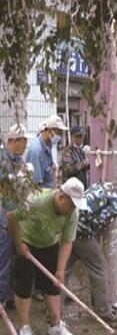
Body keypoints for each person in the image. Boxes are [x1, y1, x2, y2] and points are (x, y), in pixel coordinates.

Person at [7, 177, 87, 335]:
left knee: (52, 285)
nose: (72, 210)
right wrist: (18, 245)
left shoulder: (73, 213)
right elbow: (11, 216)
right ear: (61, 197)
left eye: (75, 207)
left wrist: (61, 269)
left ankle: (55, 325)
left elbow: (66, 241)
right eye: (70, 205)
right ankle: (24, 327)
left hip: (49, 243)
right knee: (23, 286)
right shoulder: (37, 201)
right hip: (27, 241)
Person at [65, 168, 117, 320]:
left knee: (64, 269)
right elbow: (99, 222)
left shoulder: (104, 185)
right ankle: (103, 311)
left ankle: (53, 311)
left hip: (70, 225)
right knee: (99, 268)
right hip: (82, 233)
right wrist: (95, 235)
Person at [0, 124, 31, 309]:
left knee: (14, 256)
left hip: (16, 214)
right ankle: (2, 297)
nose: (25, 144)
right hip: (3, 216)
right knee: (3, 258)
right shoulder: (2, 160)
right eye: (22, 141)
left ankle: (10, 295)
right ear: (12, 141)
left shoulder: (18, 161)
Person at [25, 114, 69, 189]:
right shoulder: (37, 150)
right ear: (49, 130)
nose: (59, 136)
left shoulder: (47, 146)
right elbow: (36, 187)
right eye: (58, 133)